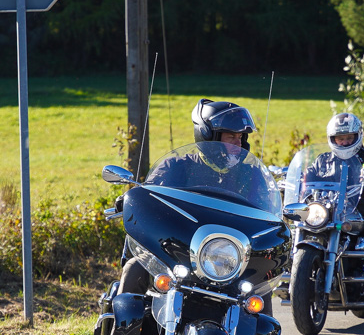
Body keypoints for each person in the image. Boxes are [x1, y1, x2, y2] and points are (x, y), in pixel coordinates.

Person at [118, 98, 277, 312]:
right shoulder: (176, 167)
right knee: (134, 267)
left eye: (241, 137)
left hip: (230, 259)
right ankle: (117, 333)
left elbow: (265, 213)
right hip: (178, 254)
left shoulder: (252, 175)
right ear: (207, 135)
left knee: (261, 289)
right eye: (231, 137)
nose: (238, 144)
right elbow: (150, 200)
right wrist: (133, 199)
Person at [302, 113, 364, 302]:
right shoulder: (323, 161)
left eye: (348, 138)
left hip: (363, 213)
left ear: (357, 137)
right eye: (340, 139)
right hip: (328, 213)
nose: (344, 143)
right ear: (332, 139)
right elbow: (307, 176)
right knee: (301, 228)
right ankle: (296, 275)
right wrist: (294, 182)